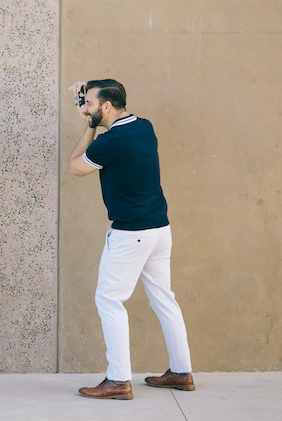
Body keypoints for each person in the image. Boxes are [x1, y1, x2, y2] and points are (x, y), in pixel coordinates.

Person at [68, 79, 194, 400]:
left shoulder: (111, 142)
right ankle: (181, 373)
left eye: (91, 105)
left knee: (109, 300)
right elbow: (99, 125)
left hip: (131, 234)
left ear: (106, 107)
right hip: (159, 229)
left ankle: (118, 380)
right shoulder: (144, 126)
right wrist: (88, 113)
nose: (86, 109)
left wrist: (88, 128)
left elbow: (75, 167)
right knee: (164, 299)